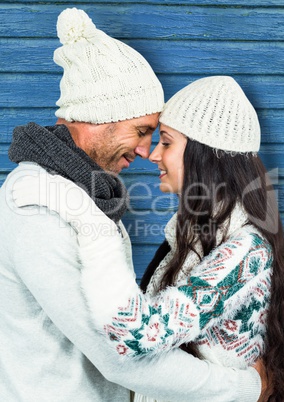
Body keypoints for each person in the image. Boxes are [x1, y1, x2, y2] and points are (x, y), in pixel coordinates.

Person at [2, 6, 270, 401]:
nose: (148, 152)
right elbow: (120, 356)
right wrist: (246, 389)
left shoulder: (84, 195)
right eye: (143, 132)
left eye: (162, 140)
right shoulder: (39, 204)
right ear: (101, 116)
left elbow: (137, 335)